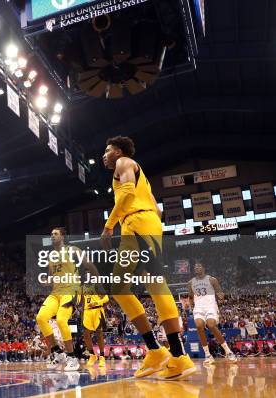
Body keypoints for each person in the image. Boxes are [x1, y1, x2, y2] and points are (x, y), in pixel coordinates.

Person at [101, 136, 195, 380]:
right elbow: (158, 210)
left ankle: (178, 355)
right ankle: (155, 350)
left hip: (137, 223)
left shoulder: (124, 162)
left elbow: (128, 194)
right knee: (120, 287)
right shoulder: (142, 178)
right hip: (141, 224)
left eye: (107, 150)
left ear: (118, 151)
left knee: (153, 284)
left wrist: (110, 225)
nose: (104, 155)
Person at [35, 227, 98, 372]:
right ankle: (58, 351)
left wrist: (98, 282)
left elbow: (88, 265)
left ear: (62, 236)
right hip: (56, 292)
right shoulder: (51, 255)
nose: (52, 236)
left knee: (61, 320)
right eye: (51, 234)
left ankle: (72, 358)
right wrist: (47, 280)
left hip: (72, 290)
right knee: (41, 318)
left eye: (55, 234)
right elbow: (52, 275)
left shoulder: (73, 250)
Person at [188, 262, 237, 364]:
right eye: (195, 267)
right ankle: (208, 355)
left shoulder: (212, 279)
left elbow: (220, 294)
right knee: (199, 326)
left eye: (199, 266)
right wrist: (191, 305)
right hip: (199, 307)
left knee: (211, 325)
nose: (197, 268)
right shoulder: (190, 282)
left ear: (203, 268)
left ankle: (228, 351)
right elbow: (191, 296)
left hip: (211, 306)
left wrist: (221, 295)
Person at [81, 284, 108, 368]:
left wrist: (97, 302)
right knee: (86, 335)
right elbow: (82, 301)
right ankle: (92, 355)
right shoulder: (81, 287)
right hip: (87, 312)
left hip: (97, 310)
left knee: (99, 334)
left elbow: (106, 298)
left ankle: (102, 356)